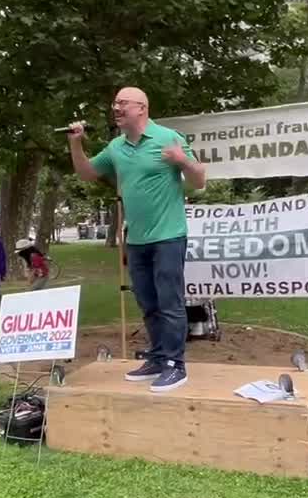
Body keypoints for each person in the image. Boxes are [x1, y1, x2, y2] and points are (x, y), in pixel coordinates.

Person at [68, 86, 206, 392]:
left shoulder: (168, 137)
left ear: (142, 108)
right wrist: (76, 145)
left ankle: (175, 364)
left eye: (122, 103)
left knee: (169, 302)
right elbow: (88, 173)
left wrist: (182, 160)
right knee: (147, 302)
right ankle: (158, 358)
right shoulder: (116, 146)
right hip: (137, 239)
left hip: (169, 236)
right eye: (114, 103)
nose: (116, 107)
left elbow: (199, 181)